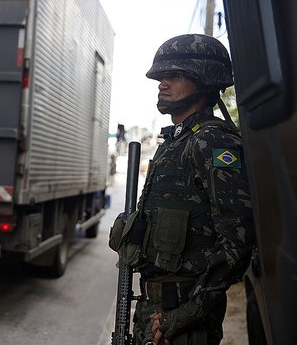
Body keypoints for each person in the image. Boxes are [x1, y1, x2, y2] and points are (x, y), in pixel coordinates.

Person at [109, 34, 255, 345]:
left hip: (184, 317)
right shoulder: (175, 142)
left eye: (174, 76)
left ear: (204, 79)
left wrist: (186, 314)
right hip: (154, 307)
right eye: (161, 77)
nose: (163, 84)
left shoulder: (213, 141)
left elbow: (238, 242)